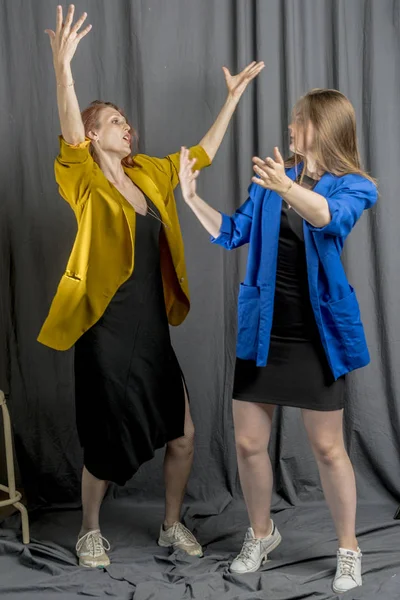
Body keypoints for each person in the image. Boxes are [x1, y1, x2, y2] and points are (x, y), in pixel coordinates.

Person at [39, 4, 264, 568]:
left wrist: (233, 97)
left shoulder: (150, 172)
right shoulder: (84, 178)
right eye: (115, 121)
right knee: (104, 436)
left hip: (152, 321)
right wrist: (64, 70)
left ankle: (170, 524)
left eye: (125, 120)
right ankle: (90, 529)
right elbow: (69, 135)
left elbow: (204, 153)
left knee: (183, 432)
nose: (127, 126)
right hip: (103, 325)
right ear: (93, 134)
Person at [178, 88, 377, 593]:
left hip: (317, 335)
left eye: (298, 121)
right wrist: (193, 199)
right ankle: (261, 534)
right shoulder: (275, 178)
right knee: (247, 442)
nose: (290, 128)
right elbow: (232, 232)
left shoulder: (352, 186)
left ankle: (349, 548)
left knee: (329, 448)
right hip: (264, 329)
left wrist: (286, 188)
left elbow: (328, 218)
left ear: (323, 127)